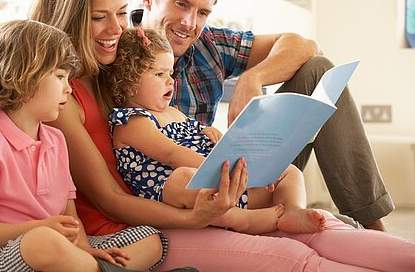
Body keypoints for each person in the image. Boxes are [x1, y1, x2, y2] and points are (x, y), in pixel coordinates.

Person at [0, 0, 415, 272]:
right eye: (100, 17)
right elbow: (36, 36)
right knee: (295, 255)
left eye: (119, 14)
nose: (115, 27)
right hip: (160, 213)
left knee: (321, 227)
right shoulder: (65, 94)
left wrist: (254, 85)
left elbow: (301, 45)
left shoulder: (126, 51)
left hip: (194, 196)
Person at [129, 0, 394, 232]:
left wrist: (252, 78)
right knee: (334, 226)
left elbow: (305, 45)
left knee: (319, 69)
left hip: (235, 173)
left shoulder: (210, 44)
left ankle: (370, 224)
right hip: (179, 190)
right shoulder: (118, 52)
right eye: (181, 4)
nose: (190, 23)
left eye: (202, 11)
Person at [0, 19, 167, 272]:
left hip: (56, 252)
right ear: (24, 77)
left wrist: (84, 248)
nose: (68, 89)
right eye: (60, 77)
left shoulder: (56, 140)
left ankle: (92, 268)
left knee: (151, 239)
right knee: (43, 242)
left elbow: (70, 217)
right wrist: (38, 229)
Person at [107, 27, 326, 235]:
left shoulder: (174, 112)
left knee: (289, 171)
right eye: (159, 74)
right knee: (182, 178)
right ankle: (242, 219)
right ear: (129, 82)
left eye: (171, 73)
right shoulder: (132, 122)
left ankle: (293, 210)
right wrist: (227, 174)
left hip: (223, 183)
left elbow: (199, 132)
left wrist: (210, 133)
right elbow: (173, 155)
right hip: (185, 193)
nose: (170, 81)